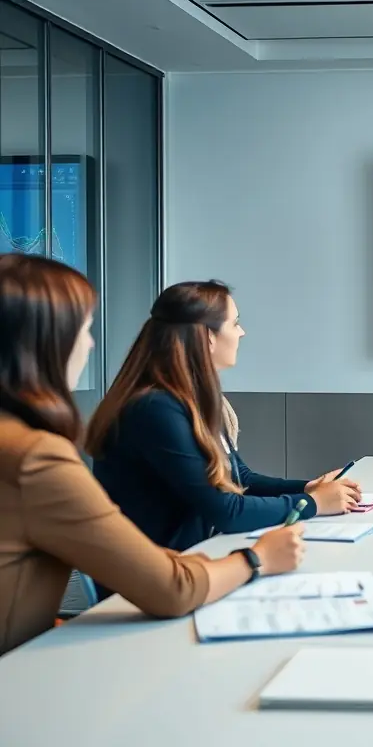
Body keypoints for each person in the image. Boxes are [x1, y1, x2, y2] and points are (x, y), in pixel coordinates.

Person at [0, 254, 305, 655]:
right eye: (86, 329)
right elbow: (171, 589)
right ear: (47, 344)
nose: (91, 344)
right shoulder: (36, 457)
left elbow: (235, 477)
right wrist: (256, 558)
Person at [84, 280, 361, 560]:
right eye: (235, 323)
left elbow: (241, 479)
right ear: (208, 338)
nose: (242, 333)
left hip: (187, 563)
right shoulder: (155, 409)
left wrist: (306, 488)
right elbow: (226, 511)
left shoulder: (192, 398)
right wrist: (312, 503)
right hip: (156, 581)